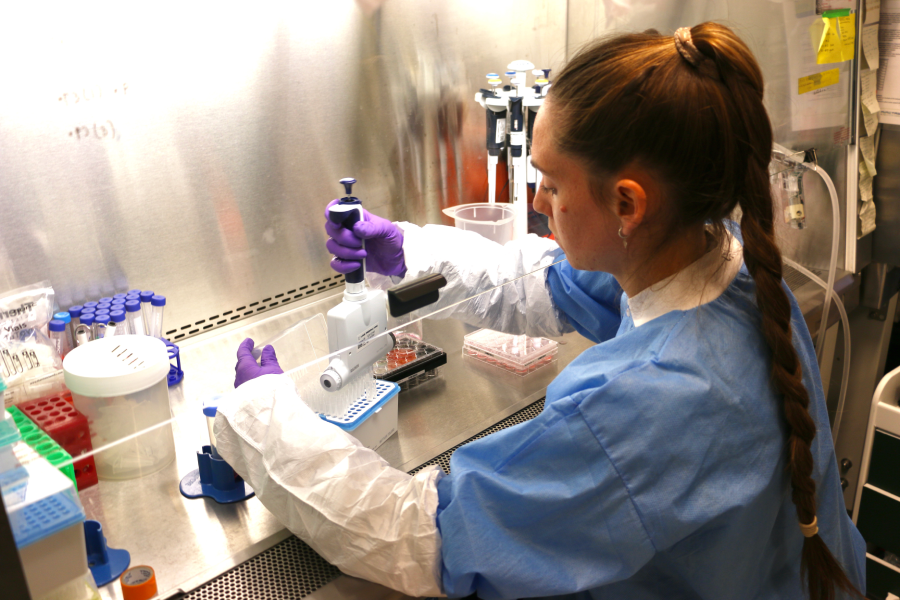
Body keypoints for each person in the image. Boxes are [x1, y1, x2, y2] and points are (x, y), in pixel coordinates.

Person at [220, 23, 866, 599]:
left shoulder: (643, 404)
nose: (534, 200)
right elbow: (551, 282)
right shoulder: (718, 256)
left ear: (627, 206)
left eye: (551, 183)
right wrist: (409, 251)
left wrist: (265, 420)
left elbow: (426, 541)